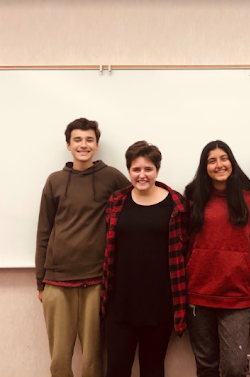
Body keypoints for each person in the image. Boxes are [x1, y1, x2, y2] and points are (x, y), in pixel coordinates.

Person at [35, 118, 129, 377]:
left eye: (89, 140)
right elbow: (44, 230)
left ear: (97, 145)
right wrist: (40, 281)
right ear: (68, 145)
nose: (83, 145)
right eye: (77, 139)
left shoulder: (112, 177)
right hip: (56, 282)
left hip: (96, 281)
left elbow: (139, 199)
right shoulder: (54, 180)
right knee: (59, 360)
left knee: (92, 360)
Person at [100, 141, 187, 377]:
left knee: (153, 368)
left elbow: (185, 252)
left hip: (160, 306)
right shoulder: (116, 201)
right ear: (128, 170)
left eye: (148, 169)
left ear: (157, 170)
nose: (142, 175)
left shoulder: (176, 204)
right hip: (120, 305)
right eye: (136, 169)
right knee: (117, 368)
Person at [184, 140, 250, 377]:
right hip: (198, 289)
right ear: (204, 166)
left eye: (223, 158)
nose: (219, 165)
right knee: (206, 365)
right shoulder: (192, 195)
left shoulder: (249, 197)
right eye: (212, 160)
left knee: (234, 368)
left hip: (236, 292)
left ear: (231, 162)